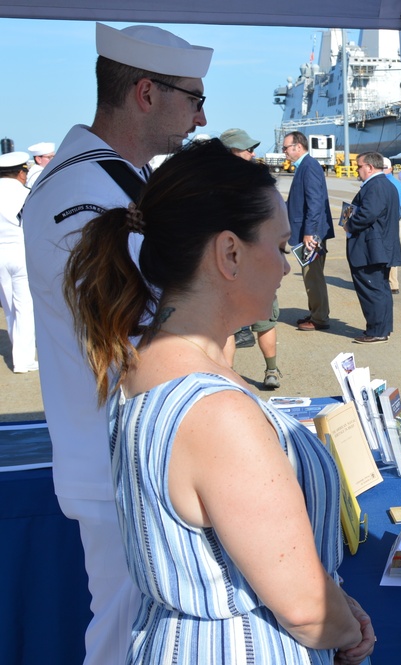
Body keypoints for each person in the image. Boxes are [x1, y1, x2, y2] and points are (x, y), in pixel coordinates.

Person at [62, 138, 375, 664]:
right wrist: (350, 629)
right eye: (278, 248)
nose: (286, 267)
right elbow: (303, 609)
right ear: (229, 252)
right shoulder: (217, 412)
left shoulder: (142, 364)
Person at [20, 22, 211, 665]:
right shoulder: (83, 194)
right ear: (148, 94)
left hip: (126, 454)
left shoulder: (110, 181)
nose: (200, 115)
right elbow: (133, 330)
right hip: (118, 461)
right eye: (193, 98)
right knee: (129, 634)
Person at [219, 128, 282, 388]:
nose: (252, 153)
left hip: (229, 262)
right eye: (247, 149)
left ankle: (226, 377)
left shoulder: (213, 183)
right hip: (256, 261)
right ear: (231, 151)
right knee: (263, 319)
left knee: (228, 325)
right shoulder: (260, 181)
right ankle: (271, 371)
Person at [344, 152, 401, 344]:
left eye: (358, 166)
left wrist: (349, 225)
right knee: (380, 289)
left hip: (372, 249)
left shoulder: (376, 185)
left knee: (372, 290)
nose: (357, 170)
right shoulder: (387, 183)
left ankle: (377, 330)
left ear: (369, 167)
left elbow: (368, 214)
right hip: (380, 246)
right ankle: (381, 328)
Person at [282, 130, 334, 332]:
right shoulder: (304, 166)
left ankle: (320, 318)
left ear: (298, 146)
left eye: (286, 147)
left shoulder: (309, 166)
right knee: (311, 275)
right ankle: (316, 312)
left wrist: (309, 233)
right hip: (308, 231)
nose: (284, 151)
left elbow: (315, 203)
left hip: (311, 235)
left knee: (313, 276)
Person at [0, 151, 36, 373]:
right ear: (20, 173)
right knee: (25, 305)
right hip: (21, 250)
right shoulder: (26, 194)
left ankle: (18, 351)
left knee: (8, 306)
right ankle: (23, 360)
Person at [383, 161, 401, 295]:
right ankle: (393, 283)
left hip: (389, 222)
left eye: (384, 168)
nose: (383, 170)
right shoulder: (396, 182)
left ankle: (391, 283)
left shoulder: (388, 184)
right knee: (391, 252)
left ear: (391, 168)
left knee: (389, 252)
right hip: (394, 220)